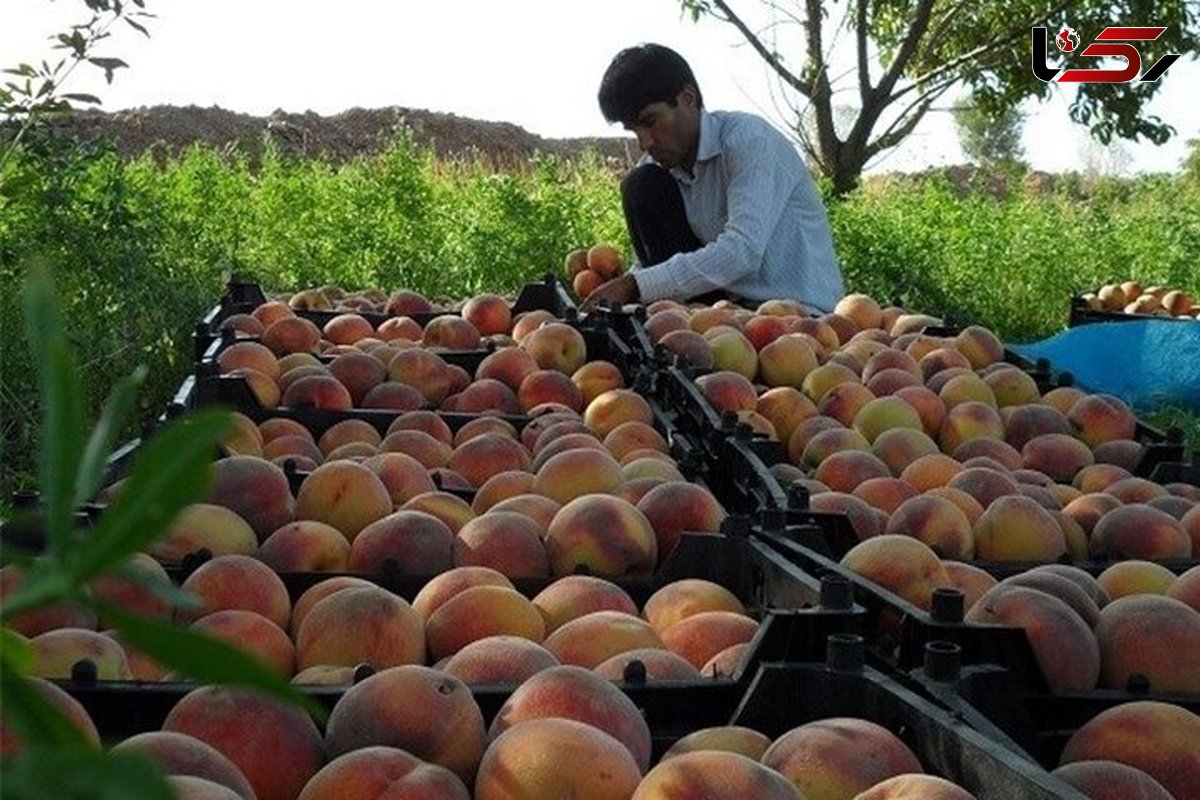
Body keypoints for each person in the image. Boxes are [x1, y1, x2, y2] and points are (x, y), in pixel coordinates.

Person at [581, 43, 844, 313]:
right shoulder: (658, 166)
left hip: (798, 315)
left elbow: (743, 251)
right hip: (723, 313)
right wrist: (622, 288)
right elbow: (652, 268)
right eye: (633, 130)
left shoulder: (749, 140)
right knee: (641, 185)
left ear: (688, 98)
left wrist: (634, 285)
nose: (644, 142)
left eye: (650, 122)